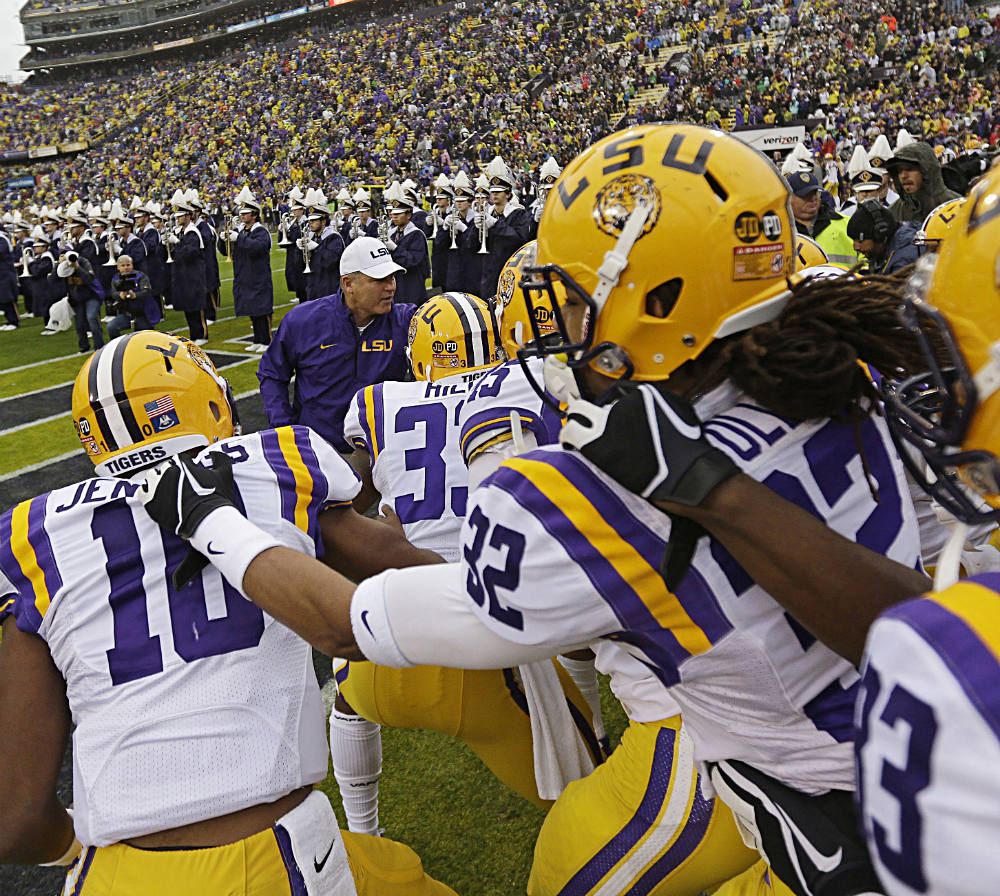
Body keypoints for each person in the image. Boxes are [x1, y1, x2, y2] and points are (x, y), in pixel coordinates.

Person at [139, 125, 935, 896]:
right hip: (928, 752)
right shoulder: (850, 364)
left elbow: (347, 625)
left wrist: (218, 522)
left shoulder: (585, 493)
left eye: (575, 291)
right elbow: (919, 628)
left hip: (823, 803)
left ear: (651, 296)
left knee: (563, 870)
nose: (562, 320)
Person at [0, 331, 459, 896]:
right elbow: (411, 571)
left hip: (114, 875)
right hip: (267, 856)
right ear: (211, 401)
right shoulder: (274, 460)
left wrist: (73, 848)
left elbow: (14, 821)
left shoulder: (31, 533)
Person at [333, 292, 603, 834]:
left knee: (347, 703)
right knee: (594, 801)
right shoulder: (528, 381)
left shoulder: (378, 401)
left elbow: (347, 499)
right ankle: (595, 737)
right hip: (496, 638)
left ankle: (364, 831)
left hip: (393, 636)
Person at [257, 237, 417, 453]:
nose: (391, 287)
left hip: (383, 451)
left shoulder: (406, 321)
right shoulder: (303, 321)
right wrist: (284, 428)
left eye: (392, 278)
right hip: (319, 451)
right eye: (380, 280)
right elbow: (272, 374)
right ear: (348, 284)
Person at [221, 187, 273, 353]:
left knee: (261, 310)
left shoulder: (261, 231)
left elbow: (259, 247)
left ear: (254, 215)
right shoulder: (242, 231)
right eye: (241, 213)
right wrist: (224, 240)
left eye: (245, 213)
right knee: (252, 309)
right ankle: (257, 339)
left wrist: (240, 238)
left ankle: (266, 340)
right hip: (244, 275)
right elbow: (227, 252)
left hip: (258, 276)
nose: (242, 216)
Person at [478, 159, 532, 299]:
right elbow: (470, 245)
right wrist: (475, 229)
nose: (494, 194)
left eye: (499, 191)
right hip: (488, 274)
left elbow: (519, 239)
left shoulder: (518, 214)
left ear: (508, 194)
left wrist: (495, 225)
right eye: (493, 191)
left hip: (510, 273)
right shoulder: (487, 214)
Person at [785, 170, 857, 268]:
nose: (812, 198)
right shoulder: (781, 233)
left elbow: (866, 260)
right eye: (805, 195)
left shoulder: (847, 223)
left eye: (815, 193)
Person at [885, 140, 963, 225]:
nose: (903, 176)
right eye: (899, 171)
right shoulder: (893, 213)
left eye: (910, 169)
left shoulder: (957, 205)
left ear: (927, 170)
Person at [166, 189, 208, 345]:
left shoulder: (192, 233)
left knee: (196, 307)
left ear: (188, 216)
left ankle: (202, 335)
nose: (177, 219)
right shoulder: (182, 232)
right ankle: (194, 334)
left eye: (180, 216)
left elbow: (189, 253)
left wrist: (176, 243)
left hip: (193, 276)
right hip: (183, 276)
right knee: (188, 307)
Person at [846, 199, 922, 274]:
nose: (856, 247)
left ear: (880, 235)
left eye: (860, 241)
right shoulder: (884, 252)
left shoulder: (904, 259)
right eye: (853, 240)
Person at [300, 187, 345, 301]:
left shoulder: (333, 237)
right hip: (313, 286)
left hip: (329, 287)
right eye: (310, 221)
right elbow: (300, 265)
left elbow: (330, 261)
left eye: (314, 221)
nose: (310, 223)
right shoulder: (311, 236)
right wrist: (299, 250)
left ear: (323, 221)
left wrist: (316, 247)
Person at [442, 172, 484, 296]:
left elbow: (474, 244)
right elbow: (440, 245)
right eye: (457, 201)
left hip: (473, 271)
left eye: (462, 201)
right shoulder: (453, 218)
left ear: (470, 202)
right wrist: (444, 228)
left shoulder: (477, 220)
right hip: (455, 271)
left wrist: (465, 229)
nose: (459, 203)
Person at [384, 192, 429, 304]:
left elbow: (412, 260)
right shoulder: (392, 234)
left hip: (412, 286)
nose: (394, 216)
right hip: (396, 285)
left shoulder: (417, 234)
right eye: (393, 214)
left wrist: (395, 248)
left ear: (409, 215)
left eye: (399, 214)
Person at [58, 246, 105, 354]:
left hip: (91, 295)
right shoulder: (61, 267)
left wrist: (77, 267)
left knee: (92, 317)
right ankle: (84, 346)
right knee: (79, 324)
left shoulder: (83, 261)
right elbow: (52, 281)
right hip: (77, 299)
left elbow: (90, 279)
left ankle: (99, 347)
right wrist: (58, 264)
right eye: (62, 254)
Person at [106, 254, 160, 339]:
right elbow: (113, 293)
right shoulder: (115, 279)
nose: (126, 267)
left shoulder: (141, 276)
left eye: (128, 265)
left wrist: (135, 295)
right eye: (123, 265)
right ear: (118, 267)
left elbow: (147, 291)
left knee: (146, 336)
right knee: (111, 327)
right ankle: (118, 346)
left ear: (132, 265)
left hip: (143, 312)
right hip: (126, 313)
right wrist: (120, 295)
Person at [283, 186, 308, 303]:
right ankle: (299, 294)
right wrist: (282, 231)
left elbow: (297, 237)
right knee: (294, 277)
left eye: (296, 210)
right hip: (292, 255)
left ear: (302, 210)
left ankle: (303, 296)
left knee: (303, 280)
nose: (293, 212)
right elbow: (284, 243)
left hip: (303, 257)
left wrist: (290, 229)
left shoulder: (306, 222)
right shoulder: (292, 223)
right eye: (292, 210)